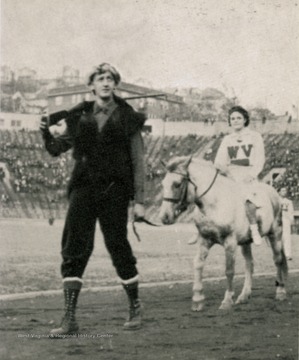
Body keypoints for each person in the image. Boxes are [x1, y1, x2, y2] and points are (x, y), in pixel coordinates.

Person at [40, 63, 146, 335]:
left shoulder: (128, 116)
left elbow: (138, 160)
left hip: (114, 189)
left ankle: (135, 307)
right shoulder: (79, 114)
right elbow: (56, 148)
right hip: (84, 188)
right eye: (101, 79)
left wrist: (140, 200)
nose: (106, 83)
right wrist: (44, 129)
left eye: (110, 79)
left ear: (116, 84)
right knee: (74, 246)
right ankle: (69, 318)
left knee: (117, 244)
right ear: (92, 85)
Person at [214, 106, 265, 246]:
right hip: (230, 174)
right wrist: (224, 170)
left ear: (245, 119)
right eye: (232, 118)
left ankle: (254, 229)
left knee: (247, 196)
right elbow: (219, 160)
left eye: (238, 118)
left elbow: (260, 159)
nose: (235, 121)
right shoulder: (227, 139)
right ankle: (203, 230)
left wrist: (252, 174)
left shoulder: (254, 136)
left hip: (247, 174)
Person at [279, 187, 294, 260]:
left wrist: (291, 220)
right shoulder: (277, 201)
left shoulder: (289, 202)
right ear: (279, 192)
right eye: (282, 190)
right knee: (278, 238)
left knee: (287, 237)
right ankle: (279, 254)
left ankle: (288, 254)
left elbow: (291, 212)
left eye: (285, 190)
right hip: (278, 221)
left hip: (285, 220)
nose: (284, 192)